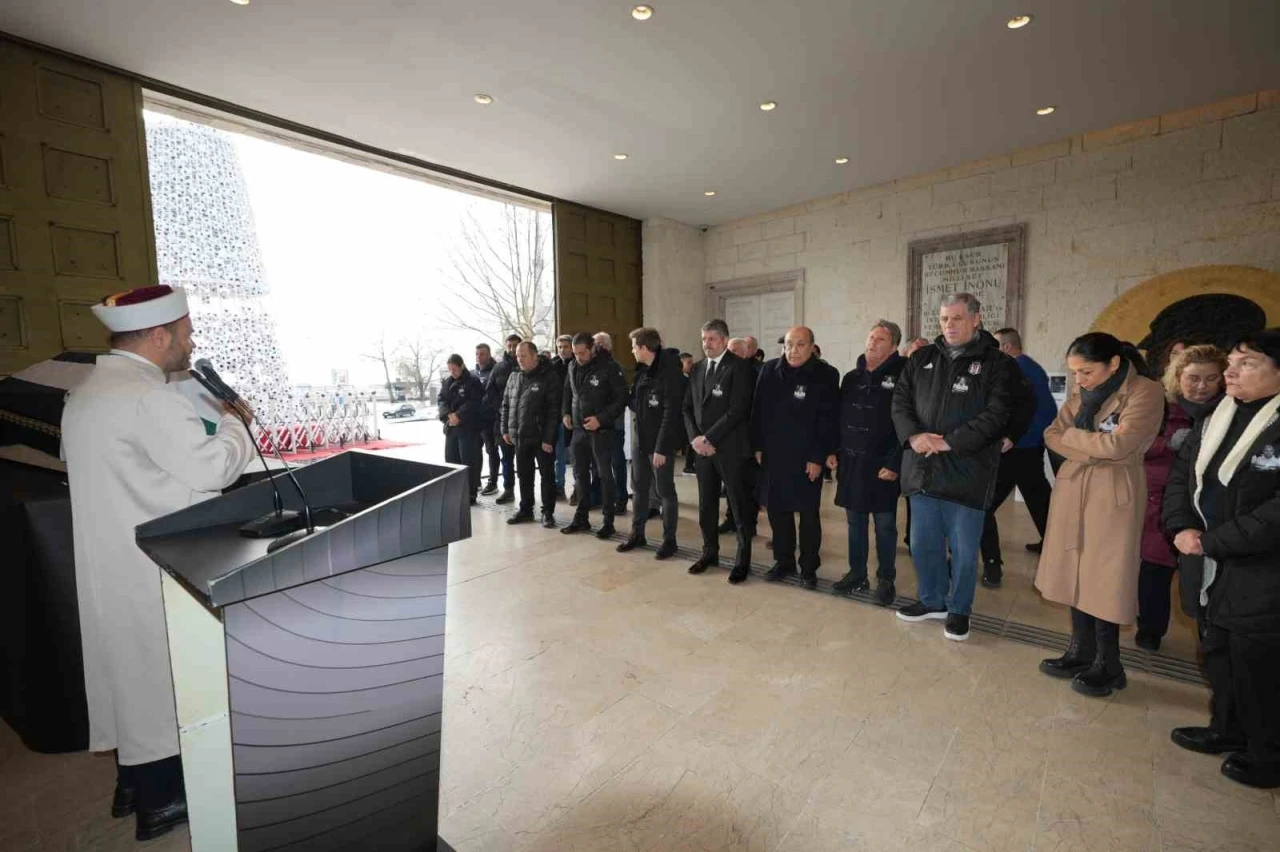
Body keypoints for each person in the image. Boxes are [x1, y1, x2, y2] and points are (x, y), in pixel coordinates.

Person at [61, 286, 258, 841]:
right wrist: (237, 425)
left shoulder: (88, 391)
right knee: (160, 679)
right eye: (186, 333)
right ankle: (161, 800)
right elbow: (211, 470)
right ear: (158, 335)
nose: (189, 344)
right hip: (153, 560)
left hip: (108, 560)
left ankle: (132, 782)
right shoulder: (150, 396)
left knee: (128, 675)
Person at [1163, 330, 1280, 789]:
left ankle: (1267, 752)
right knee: (1217, 647)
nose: (1230, 371)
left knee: (1258, 661)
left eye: (1246, 363)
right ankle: (1226, 729)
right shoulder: (1218, 415)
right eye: (1232, 360)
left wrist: (1216, 540)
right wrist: (1180, 528)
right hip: (1205, 552)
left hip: (1261, 564)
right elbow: (1181, 477)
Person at [1035, 333, 1163, 696]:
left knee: (1106, 576)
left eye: (1086, 372)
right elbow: (1051, 433)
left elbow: (1120, 445)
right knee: (1074, 568)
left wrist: (1078, 442)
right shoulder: (1081, 395)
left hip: (1114, 493)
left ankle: (1109, 664)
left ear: (1114, 364)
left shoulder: (1145, 392)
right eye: (1075, 373)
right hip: (1074, 487)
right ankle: (1080, 650)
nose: (1079, 380)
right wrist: (1093, 449)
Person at [891, 293, 1023, 641]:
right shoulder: (921, 358)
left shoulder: (998, 364)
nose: (949, 325)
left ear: (977, 319)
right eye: (945, 319)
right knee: (923, 544)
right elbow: (900, 402)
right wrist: (914, 436)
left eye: (958, 318)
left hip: (968, 470)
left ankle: (959, 609)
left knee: (964, 550)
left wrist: (949, 441)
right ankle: (932, 600)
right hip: (923, 467)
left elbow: (997, 415)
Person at [1135, 345, 1227, 651]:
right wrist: (1166, 445)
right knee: (1154, 570)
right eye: (1193, 378)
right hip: (1160, 502)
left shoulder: (1230, 412)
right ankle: (1150, 628)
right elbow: (1134, 446)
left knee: (1206, 575)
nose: (1201, 386)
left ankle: (1210, 635)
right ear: (1177, 378)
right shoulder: (1160, 408)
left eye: (1210, 378)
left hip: (1207, 509)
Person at [753, 326, 839, 589]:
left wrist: (817, 457)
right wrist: (757, 446)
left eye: (800, 345)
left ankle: (809, 567)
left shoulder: (825, 374)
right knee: (778, 512)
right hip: (774, 455)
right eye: (789, 344)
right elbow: (758, 410)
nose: (793, 350)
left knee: (808, 515)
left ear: (812, 347)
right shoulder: (769, 369)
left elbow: (828, 420)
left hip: (806, 458)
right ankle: (784, 560)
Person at [832, 320, 906, 607]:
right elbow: (839, 418)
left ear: (894, 346)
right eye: (870, 337)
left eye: (880, 339)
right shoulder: (852, 377)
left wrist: (896, 462)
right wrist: (834, 450)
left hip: (884, 464)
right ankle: (857, 573)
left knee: (885, 524)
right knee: (855, 522)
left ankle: (886, 578)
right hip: (852, 462)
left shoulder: (904, 376)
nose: (872, 343)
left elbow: (908, 423)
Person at [979, 328, 1057, 585]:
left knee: (984, 504)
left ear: (1006, 348)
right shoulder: (1031, 367)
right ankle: (1054, 547)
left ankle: (992, 565)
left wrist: (1015, 438)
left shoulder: (1020, 369)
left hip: (1017, 449)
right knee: (1039, 499)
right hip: (1027, 448)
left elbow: (1041, 411)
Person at [684, 319, 755, 584]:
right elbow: (687, 408)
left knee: (738, 505)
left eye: (712, 339)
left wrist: (708, 437)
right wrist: (695, 439)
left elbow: (737, 411)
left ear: (725, 340)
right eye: (704, 339)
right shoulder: (697, 368)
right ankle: (709, 552)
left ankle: (742, 559)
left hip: (730, 448)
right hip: (702, 451)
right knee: (707, 504)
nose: (707, 344)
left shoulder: (740, 368)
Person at [618, 328, 685, 558]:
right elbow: (637, 403)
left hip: (659, 444)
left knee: (665, 491)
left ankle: (670, 540)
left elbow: (671, 413)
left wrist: (662, 448)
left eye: (634, 347)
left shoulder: (669, 373)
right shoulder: (642, 371)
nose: (632, 351)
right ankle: (637, 534)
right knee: (638, 488)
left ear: (645, 348)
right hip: (641, 440)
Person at [562, 332, 628, 537]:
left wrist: (600, 419)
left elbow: (621, 399)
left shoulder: (609, 367)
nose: (578, 357)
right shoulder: (573, 366)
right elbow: (567, 391)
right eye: (575, 353)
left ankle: (608, 522)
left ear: (592, 348)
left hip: (602, 431)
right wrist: (565, 412)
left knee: (604, 475)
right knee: (579, 475)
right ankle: (581, 518)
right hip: (579, 431)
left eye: (582, 353)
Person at [501, 340, 562, 529]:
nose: (519, 359)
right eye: (517, 356)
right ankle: (526, 509)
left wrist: (548, 438)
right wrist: (505, 429)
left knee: (547, 476)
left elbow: (554, 411)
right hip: (520, 436)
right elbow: (505, 405)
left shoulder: (549, 377)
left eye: (523, 356)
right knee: (524, 476)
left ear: (535, 356)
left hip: (541, 437)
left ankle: (547, 512)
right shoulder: (514, 377)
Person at [588, 331, 633, 515]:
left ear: (607, 346)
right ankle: (598, 496)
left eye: (598, 344)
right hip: (595, 425)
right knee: (597, 464)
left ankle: (621, 498)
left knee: (616, 463)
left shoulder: (617, 367)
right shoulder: (592, 368)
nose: (595, 347)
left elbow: (619, 399)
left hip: (614, 425)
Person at [479, 334, 520, 503]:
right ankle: (508, 490)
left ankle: (527, 493)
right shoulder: (499, 367)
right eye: (509, 345)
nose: (511, 349)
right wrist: (501, 408)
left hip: (525, 421)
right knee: (507, 458)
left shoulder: (527, 364)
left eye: (514, 345)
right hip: (503, 420)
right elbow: (490, 391)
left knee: (526, 460)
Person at [439, 354, 484, 504]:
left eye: (455, 369)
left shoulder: (472, 381)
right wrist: (447, 416)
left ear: (462, 366)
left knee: (469, 460)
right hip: (451, 428)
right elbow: (441, 400)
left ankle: (471, 493)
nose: (452, 372)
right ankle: (455, 492)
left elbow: (475, 402)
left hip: (468, 428)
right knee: (451, 459)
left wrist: (459, 415)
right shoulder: (447, 382)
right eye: (450, 369)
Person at [551, 334, 574, 501]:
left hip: (577, 416)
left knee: (578, 456)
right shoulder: (552, 365)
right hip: (558, 417)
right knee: (559, 455)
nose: (563, 350)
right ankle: (559, 486)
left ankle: (579, 487)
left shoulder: (578, 363)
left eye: (566, 347)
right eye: (560, 347)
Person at [679, 352, 697, 474]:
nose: (691, 365)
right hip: (684, 415)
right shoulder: (681, 380)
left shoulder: (690, 377)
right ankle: (688, 465)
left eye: (692, 362)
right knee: (689, 439)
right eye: (688, 363)